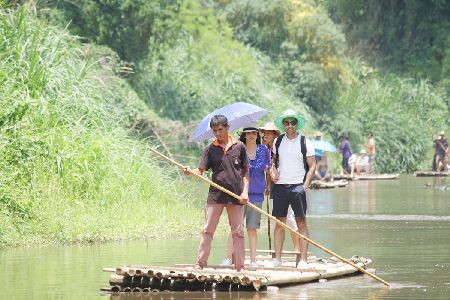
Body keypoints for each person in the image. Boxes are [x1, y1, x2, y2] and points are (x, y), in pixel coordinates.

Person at [183, 115, 249, 271]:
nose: (218, 133)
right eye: (214, 131)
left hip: (236, 196)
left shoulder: (239, 146)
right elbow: (199, 170)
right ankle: (200, 264)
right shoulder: (210, 149)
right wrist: (189, 172)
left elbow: (246, 172)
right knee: (208, 230)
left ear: (228, 127)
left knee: (238, 232)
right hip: (215, 196)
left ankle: (240, 267)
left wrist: (245, 192)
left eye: (220, 129)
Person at [266, 109, 316, 269]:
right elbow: (273, 161)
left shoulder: (304, 142)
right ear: (283, 125)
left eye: (293, 123)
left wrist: (305, 186)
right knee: (279, 223)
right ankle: (277, 259)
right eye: (286, 123)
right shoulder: (277, 142)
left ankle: (303, 260)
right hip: (280, 187)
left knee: (301, 223)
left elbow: (312, 165)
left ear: (297, 124)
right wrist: (272, 171)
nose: (290, 126)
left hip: (297, 187)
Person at [222, 127, 270, 268]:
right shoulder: (238, 148)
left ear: (257, 135)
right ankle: (228, 258)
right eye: (248, 133)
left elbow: (267, 169)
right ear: (244, 135)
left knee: (252, 228)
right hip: (239, 194)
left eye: (253, 133)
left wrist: (269, 183)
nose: (251, 135)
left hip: (256, 194)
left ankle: (253, 260)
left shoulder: (264, 150)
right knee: (235, 228)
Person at [259, 122, 300, 254]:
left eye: (269, 133)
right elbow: (268, 172)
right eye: (264, 133)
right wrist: (267, 186)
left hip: (285, 188)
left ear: (274, 135)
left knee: (290, 221)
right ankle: (277, 253)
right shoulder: (265, 150)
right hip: (274, 191)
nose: (265, 136)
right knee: (277, 220)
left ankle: (297, 250)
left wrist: (271, 168)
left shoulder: (281, 147)